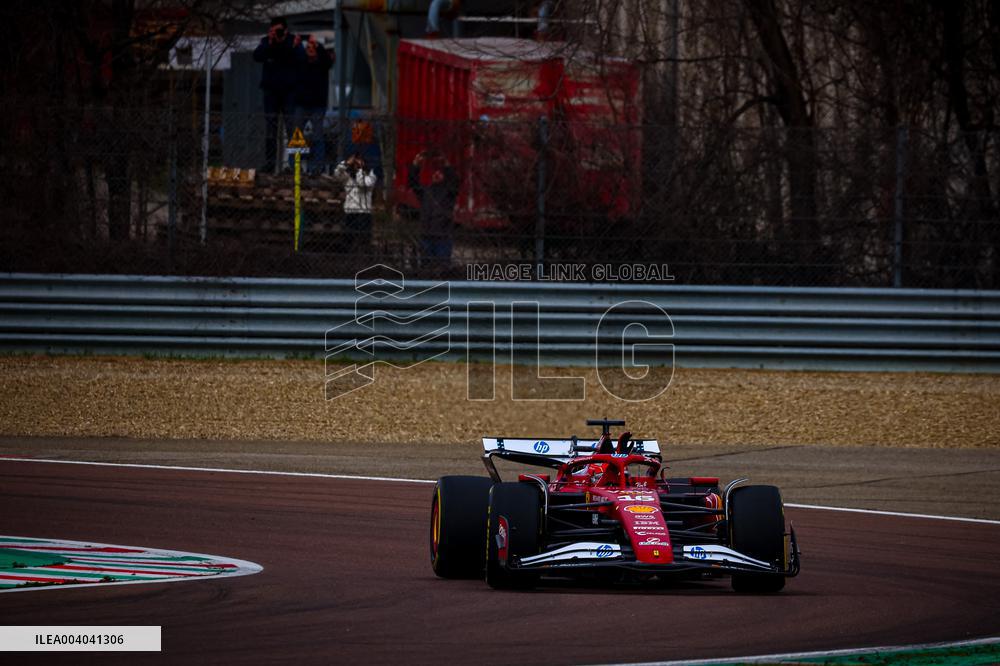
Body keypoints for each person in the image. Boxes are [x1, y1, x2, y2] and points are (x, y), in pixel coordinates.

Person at [254, 17, 304, 173]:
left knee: (292, 130)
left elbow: (302, 59)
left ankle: (294, 165)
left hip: (289, 92)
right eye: (274, 30)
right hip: (271, 93)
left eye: (279, 30)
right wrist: (270, 41)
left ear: (286, 30)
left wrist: (294, 47)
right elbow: (257, 56)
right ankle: (270, 164)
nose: (277, 33)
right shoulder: (267, 42)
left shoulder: (293, 41)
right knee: (271, 129)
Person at [408, 150, 459, 274]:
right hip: (426, 235)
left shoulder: (449, 192)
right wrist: (416, 165)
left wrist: (446, 165)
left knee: (443, 269)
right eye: (435, 172)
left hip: (442, 235)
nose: (436, 174)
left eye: (440, 172)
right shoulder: (426, 191)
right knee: (426, 268)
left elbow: (455, 182)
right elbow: (413, 183)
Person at [294, 35, 333, 174]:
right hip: (302, 104)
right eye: (308, 48)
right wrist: (298, 45)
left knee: (317, 135)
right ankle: (295, 166)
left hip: (317, 105)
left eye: (312, 48)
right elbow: (295, 57)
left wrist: (318, 45)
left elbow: (328, 61)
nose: (310, 50)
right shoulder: (301, 63)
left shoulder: (322, 64)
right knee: (297, 136)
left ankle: (317, 167)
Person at [334, 153, 378, 256]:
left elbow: (362, 184)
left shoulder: (371, 176)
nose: (356, 165)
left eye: (359, 162)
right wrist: (346, 163)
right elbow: (337, 174)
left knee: (363, 240)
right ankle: (348, 258)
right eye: (355, 163)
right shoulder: (348, 178)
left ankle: (363, 258)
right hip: (350, 212)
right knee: (348, 239)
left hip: (364, 213)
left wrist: (360, 170)